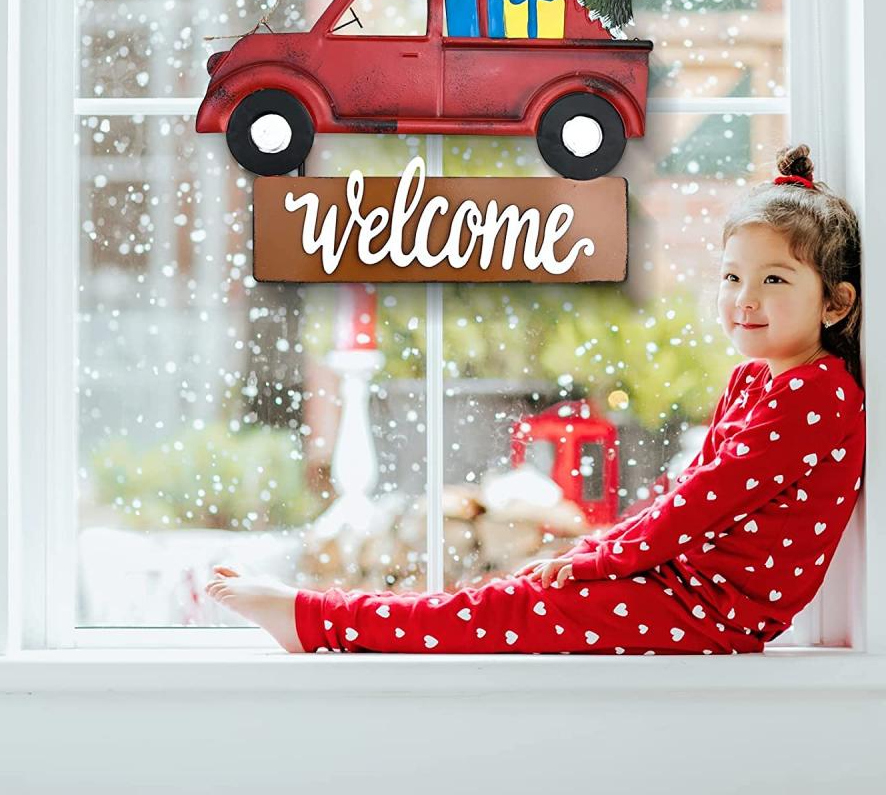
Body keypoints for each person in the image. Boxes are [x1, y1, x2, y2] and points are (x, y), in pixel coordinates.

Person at [205, 143, 865, 655]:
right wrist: (598, 548)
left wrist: (602, 556)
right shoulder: (757, 379)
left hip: (712, 612)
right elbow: (683, 492)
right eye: (731, 277)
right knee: (513, 590)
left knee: (514, 609)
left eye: (774, 279)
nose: (744, 299)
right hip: (680, 584)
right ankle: (324, 615)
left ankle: (318, 620)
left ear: (836, 302)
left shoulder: (818, 395)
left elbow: (702, 503)